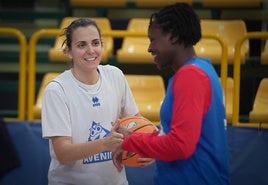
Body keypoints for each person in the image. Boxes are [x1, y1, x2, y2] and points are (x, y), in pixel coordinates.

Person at [112, 3, 230, 185]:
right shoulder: (203, 69)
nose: (150, 48)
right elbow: (176, 138)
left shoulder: (190, 76)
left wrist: (130, 143)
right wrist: (132, 138)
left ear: (173, 36)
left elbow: (180, 145)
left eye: (153, 40)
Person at [41, 18, 151, 185]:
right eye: (81, 45)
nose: (90, 50)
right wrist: (104, 144)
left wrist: (150, 147)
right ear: (68, 51)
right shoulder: (56, 90)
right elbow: (63, 153)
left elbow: (137, 122)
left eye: (95, 43)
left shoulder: (115, 75)